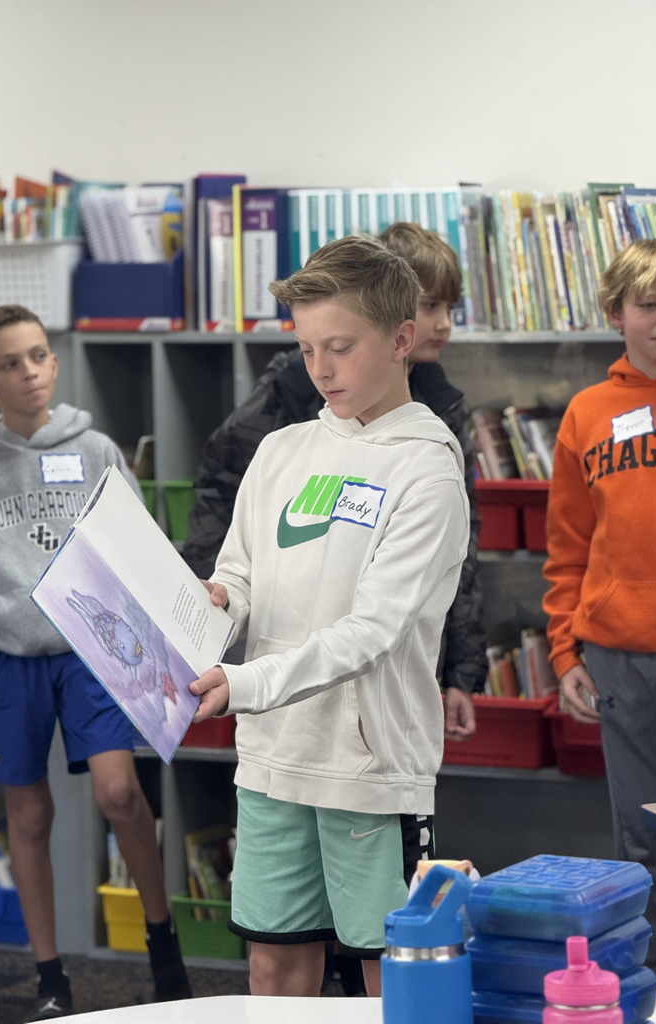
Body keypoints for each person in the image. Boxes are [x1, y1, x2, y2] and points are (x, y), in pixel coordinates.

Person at [189, 236, 471, 997]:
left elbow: (373, 632)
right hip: (273, 759)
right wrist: (224, 603)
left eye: (340, 347)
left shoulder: (428, 467)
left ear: (401, 339)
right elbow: (242, 570)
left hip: (370, 772)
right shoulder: (282, 449)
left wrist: (243, 683)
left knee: (393, 972)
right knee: (275, 963)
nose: (320, 368)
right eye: (308, 347)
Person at [0, 305, 191, 1021]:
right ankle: (50, 976)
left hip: (92, 652)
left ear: (55, 361)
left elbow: (140, 553)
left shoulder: (97, 449)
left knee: (119, 794)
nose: (30, 372)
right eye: (10, 363)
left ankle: (163, 945)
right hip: (9, 660)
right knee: (29, 814)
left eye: (39, 356)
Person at [184, 221, 485, 740]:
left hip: (368, 721)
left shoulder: (436, 431)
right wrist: (213, 603)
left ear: (396, 339)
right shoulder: (288, 418)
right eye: (428, 304)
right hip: (273, 721)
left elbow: (454, 560)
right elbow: (233, 493)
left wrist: (463, 669)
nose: (440, 323)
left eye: (445, 308)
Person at [543, 238, 656, 971]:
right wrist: (565, 649)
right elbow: (568, 545)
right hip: (618, 656)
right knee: (642, 834)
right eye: (649, 305)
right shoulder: (587, 413)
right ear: (615, 312)